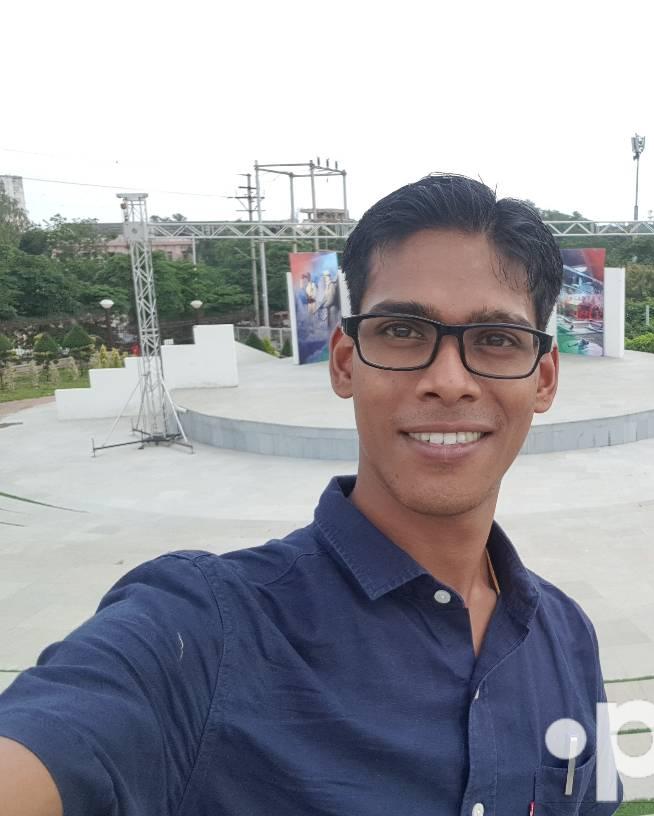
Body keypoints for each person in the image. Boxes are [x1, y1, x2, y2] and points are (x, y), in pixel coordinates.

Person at [0, 174, 622, 816]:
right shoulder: (204, 631)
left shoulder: (567, 635)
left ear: (544, 379)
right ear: (345, 362)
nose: (448, 381)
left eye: (496, 340)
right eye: (403, 331)